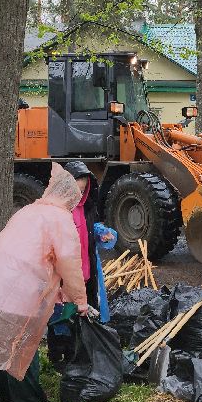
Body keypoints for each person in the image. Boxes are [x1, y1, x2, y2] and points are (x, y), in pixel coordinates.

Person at [0, 163, 88, 402]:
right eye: (77, 193)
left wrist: (59, 292)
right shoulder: (60, 219)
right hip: (21, 293)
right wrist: (79, 300)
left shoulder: (29, 210)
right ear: (68, 193)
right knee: (23, 347)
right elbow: (69, 264)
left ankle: (1, 397)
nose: (78, 198)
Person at [47, 159, 117, 372]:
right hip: (63, 276)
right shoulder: (56, 212)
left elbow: (91, 227)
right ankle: (59, 357)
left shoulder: (86, 208)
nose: (80, 193)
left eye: (83, 189)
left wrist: (102, 233)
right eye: (76, 188)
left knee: (80, 315)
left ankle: (78, 356)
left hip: (84, 274)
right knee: (61, 316)